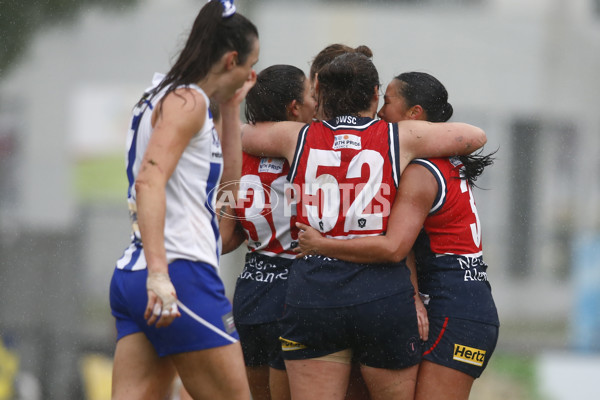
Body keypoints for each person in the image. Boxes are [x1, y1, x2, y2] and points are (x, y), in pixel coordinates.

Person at [241, 53, 487, 400]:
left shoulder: (294, 136)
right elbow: (474, 136)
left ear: (320, 94)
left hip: (315, 293)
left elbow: (241, 136)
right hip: (381, 294)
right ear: (374, 93)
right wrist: (416, 129)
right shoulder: (398, 136)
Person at [108, 1, 259, 399]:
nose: (252, 74)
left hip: (136, 276)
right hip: (178, 273)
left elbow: (227, 185)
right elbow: (149, 181)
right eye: (250, 64)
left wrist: (231, 107)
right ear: (231, 60)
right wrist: (160, 273)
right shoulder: (187, 103)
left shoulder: (180, 99)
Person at [218, 64, 317, 400]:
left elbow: (226, 237)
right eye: (309, 94)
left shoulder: (237, 152)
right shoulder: (308, 150)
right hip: (298, 293)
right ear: (293, 107)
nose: (316, 100)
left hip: (253, 293)